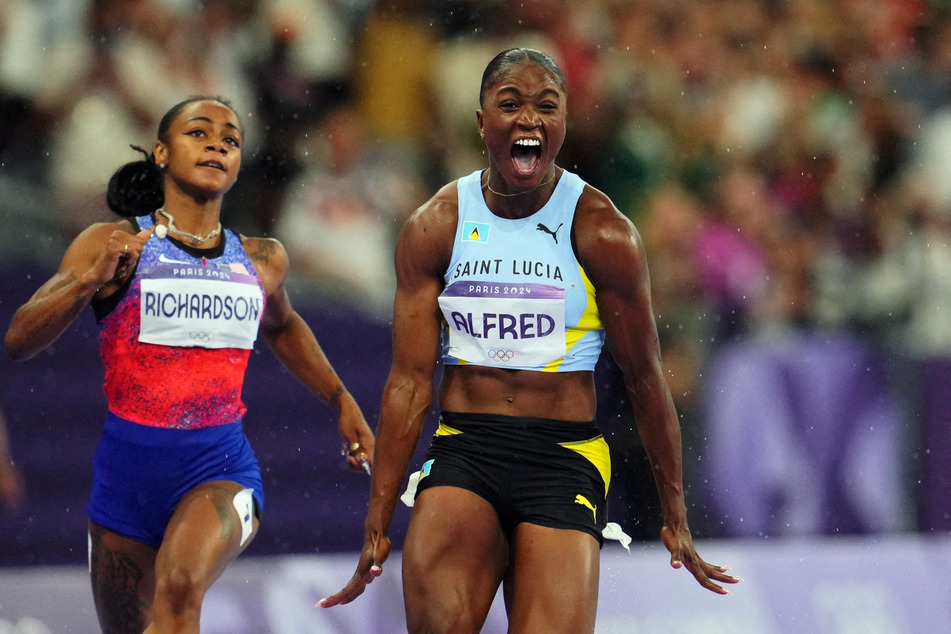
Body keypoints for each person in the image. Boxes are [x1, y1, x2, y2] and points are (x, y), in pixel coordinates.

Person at [318, 48, 739, 632]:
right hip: (466, 449)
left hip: (564, 459)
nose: (528, 119)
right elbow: (410, 382)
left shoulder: (603, 231)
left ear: (564, 122)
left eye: (547, 106)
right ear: (481, 120)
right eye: (509, 104)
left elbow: (647, 379)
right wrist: (377, 520)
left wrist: (676, 515)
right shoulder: (436, 225)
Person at [4, 95, 375, 634]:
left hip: (220, 470)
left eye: (230, 140)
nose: (217, 144)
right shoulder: (112, 244)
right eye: (199, 133)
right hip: (123, 485)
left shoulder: (260, 258)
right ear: (161, 151)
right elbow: (18, 339)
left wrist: (341, 400)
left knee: (180, 584)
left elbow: (283, 324)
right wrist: (87, 281)